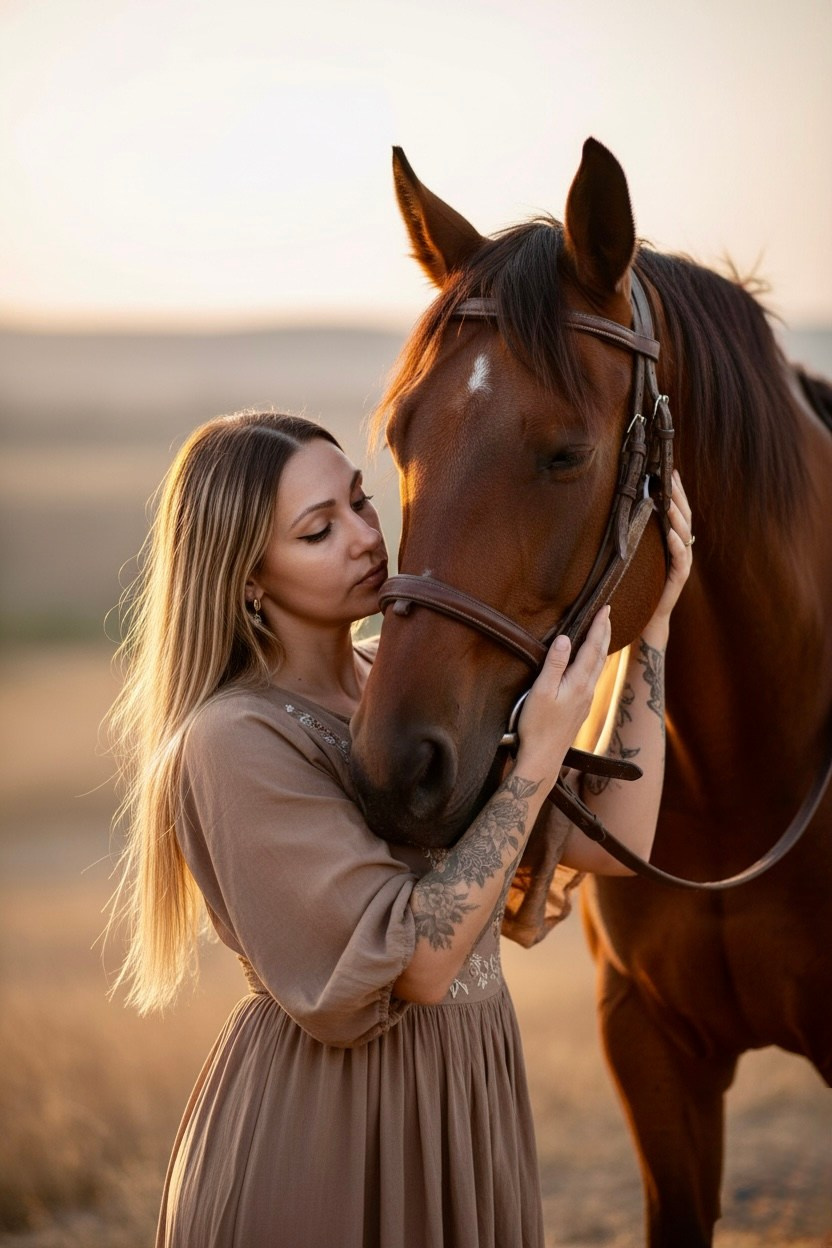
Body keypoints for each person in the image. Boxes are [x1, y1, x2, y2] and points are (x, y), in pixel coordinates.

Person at [108, 410, 693, 1248]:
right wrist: (533, 762)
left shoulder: (411, 686)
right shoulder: (231, 740)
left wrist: (652, 632)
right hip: (324, 1133)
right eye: (318, 530)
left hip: (470, 1099)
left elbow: (617, 841)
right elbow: (417, 963)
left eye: (360, 502)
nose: (363, 537)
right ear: (247, 579)